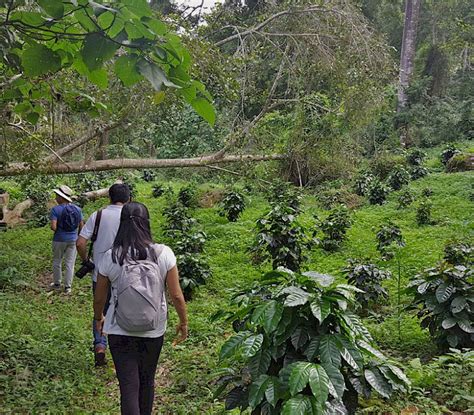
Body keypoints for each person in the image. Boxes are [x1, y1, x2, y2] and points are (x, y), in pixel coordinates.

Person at [93, 202, 188, 415]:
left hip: (119, 330)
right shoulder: (164, 253)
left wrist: (98, 317)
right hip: (153, 330)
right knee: (147, 381)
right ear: (147, 223)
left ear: (122, 224)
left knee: (128, 386)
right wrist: (183, 322)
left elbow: (99, 297)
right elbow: (176, 295)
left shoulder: (111, 256)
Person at [76, 183, 130, 367]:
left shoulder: (98, 215)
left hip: (100, 274)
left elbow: (80, 243)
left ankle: (100, 345)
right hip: (126, 274)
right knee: (123, 311)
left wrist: (86, 261)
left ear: (109, 198)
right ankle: (122, 349)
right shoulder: (131, 216)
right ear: (129, 198)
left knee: (100, 310)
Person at [50, 185, 84, 294]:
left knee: (57, 261)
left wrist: (57, 228)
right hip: (73, 240)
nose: (55, 198)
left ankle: (57, 283)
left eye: (57, 196)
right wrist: (77, 236)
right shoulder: (77, 209)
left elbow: (53, 227)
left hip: (59, 239)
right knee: (70, 263)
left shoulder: (55, 209)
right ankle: (68, 287)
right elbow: (81, 225)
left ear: (61, 197)